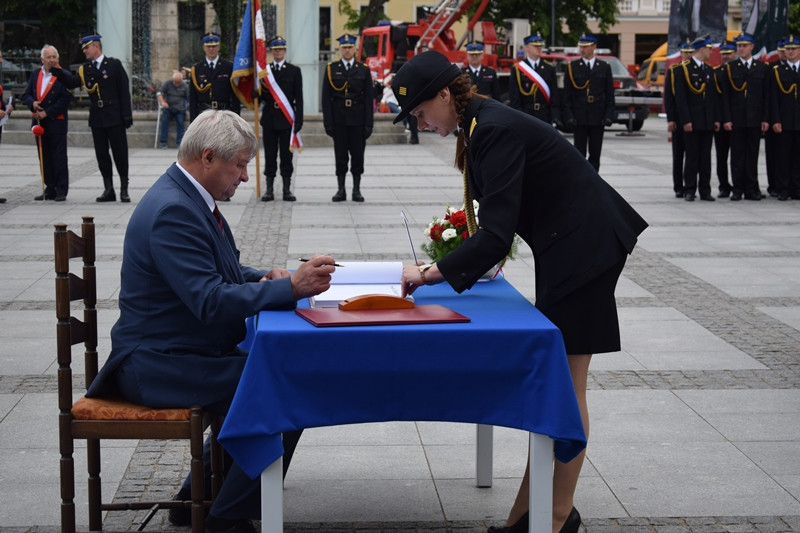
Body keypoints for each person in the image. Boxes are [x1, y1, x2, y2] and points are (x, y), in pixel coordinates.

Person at [391, 50, 647, 533]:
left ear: (444, 95)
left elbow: (496, 235)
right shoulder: (480, 123)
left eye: (421, 112)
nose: (421, 124)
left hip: (586, 250)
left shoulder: (492, 129)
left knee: (565, 389)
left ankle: (556, 515)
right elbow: (499, 217)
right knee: (558, 388)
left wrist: (431, 273)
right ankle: (527, 517)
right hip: (569, 246)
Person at [84, 109, 337, 533]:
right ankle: (226, 517)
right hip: (157, 364)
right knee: (288, 384)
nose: (244, 176)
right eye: (239, 165)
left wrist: (264, 278)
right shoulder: (174, 210)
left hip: (179, 353)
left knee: (276, 375)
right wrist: (291, 289)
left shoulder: (185, 197)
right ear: (207, 157)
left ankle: (195, 498)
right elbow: (210, 300)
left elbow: (218, 272)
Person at [52, 33, 133, 203]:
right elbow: (73, 82)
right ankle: (108, 189)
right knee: (102, 154)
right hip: (97, 117)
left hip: (115, 116)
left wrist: (127, 115)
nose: (84, 51)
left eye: (87, 48)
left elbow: (124, 90)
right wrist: (57, 72)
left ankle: (124, 189)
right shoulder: (86, 69)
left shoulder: (114, 65)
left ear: (96, 46)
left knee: (120, 153)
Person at [321, 34, 374, 202]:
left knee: (358, 156)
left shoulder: (363, 69)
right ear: (339, 49)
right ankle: (341, 190)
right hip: (339, 120)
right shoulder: (331, 69)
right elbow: (326, 98)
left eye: (350, 47)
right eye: (344, 47)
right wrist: (328, 122)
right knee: (340, 156)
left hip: (358, 120)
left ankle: (356, 190)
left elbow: (369, 99)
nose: (347, 50)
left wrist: (369, 123)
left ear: (355, 49)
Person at [721, 33, 770, 201]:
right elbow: (726, 97)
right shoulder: (730, 68)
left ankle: (751, 188)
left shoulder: (762, 68)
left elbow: (766, 96)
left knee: (752, 155)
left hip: (755, 119)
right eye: (739, 46)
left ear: (752, 47)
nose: (741, 49)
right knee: (737, 156)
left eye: (744, 46)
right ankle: (737, 188)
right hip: (737, 119)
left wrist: (765, 118)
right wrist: (727, 118)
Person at [21, 45, 72, 202]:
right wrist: (32, 103)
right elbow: (26, 94)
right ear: (42, 59)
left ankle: (61, 189)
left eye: (54, 57)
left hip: (56, 121)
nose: (51, 60)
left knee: (59, 156)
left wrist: (48, 113)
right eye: (48, 57)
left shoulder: (64, 75)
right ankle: (49, 187)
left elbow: (65, 99)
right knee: (44, 156)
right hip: (39, 121)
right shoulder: (36, 74)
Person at [674, 35, 719, 202]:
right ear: (702, 49)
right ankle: (690, 189)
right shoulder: (683, 70)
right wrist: (686, 121)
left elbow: (713, 98)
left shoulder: (709, 70)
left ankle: (705, 190)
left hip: (707, 121)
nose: (711, 52)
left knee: (705, 158)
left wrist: (715, 119)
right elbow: (681, 99)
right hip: (692, 122)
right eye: (709, 49)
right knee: (692, 157)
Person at [562, 33, 615, 171]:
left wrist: (608, 115)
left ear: (594, 47)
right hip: (579, 117)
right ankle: (580, 181)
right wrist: (569, 116)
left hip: (598, 116)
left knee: (595, 153)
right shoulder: (572, 67)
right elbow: (567, 95)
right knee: (579, 154)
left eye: (585, 47)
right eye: (581, 46)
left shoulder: (604, 67)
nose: (582, 49)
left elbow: (609, 94)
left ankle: (594, 180)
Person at [259, 36, 302, 202]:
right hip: (269, 119)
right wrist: (256, 94)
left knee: (286, 156)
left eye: (280, 49)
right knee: (270, 155)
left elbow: (299, 98)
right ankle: (269, 189)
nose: (278, 52)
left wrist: (299, 120)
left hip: (286, 120)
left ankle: (286, 189)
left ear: (285, 51)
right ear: (271, 51)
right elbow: (262, 96)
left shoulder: (294, 71)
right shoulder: (265, 71)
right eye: (275, 50)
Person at [769, 35, 800, 201]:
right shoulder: (777, 71)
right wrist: (775, 120)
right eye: (788, 49)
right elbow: (773, 98)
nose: (790, 52)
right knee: (783, 156)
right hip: (784, 120)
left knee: (797, 156)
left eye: (793, 49)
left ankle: (796, 187)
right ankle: (783, 188)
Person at [508, 32, 560, 128]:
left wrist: (555, 116)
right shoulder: (518, 69)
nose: (539, 48)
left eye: (540, 46)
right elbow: (515, 99)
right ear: (527, 47)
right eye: (535, 46)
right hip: (526, 115)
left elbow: (554, 96)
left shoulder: (549, 68)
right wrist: (520, 117)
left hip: (544, 115)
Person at [664, 41, 695, 199]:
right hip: (677, 119)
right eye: (685, 52)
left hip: (691, 119)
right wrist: (671, 119)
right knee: (678, 155)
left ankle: (690, 185)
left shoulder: (695, 70)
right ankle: (678, 186)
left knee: (691, 154)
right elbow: (669, 97)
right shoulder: (674, 70)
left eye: (690, 52)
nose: (688, 55)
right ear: (681, 54)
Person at [188, 32, 241, 122]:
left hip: (224, 113)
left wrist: (236, 118)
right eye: (208, 47)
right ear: (204, 48)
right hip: (204, 115)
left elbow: (235, 95)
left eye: (214, 46)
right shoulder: (196, 69)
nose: (211, 49)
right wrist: (193, 121)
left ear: (218, 47)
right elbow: (193, 99)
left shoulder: (229, 67)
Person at [712, 40, 737, 198]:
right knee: (721, 157)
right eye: (723, 54)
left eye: (729, 54)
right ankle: (724, 185)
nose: (726, 57)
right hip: (721, 122)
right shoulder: (717, 72)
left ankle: (740, 185)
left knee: (738, 157)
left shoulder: (740, 71)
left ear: (735, 53)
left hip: (738, 121)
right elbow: (714, 100)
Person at [765, 39, 787, 198]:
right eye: (782, 49)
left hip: (792, 119)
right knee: (775, 155)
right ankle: (775, 185)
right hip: (777, 118)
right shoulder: (771, 68)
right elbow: (769, 96)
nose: (785, 52)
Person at [380, 73, 419, 144]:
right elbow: (402, 96)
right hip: (408, 105)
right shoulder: (403, 86)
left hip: (411, 105)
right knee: (411, 121)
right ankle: (413, 136)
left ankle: (414, 137)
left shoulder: (407, 85)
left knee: (413, 121)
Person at [157, 70, 189, 149]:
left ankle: (179, 142)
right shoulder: (168, 83)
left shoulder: (185, 85)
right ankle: (163, 142)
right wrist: (163, 102)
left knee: (180, 122)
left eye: (178, 83)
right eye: (175, 82)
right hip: (169, 107)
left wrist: (188, 105)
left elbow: (189, 97)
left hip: (180, 109)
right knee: (164, 121)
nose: (177, 84)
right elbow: (159, 93)